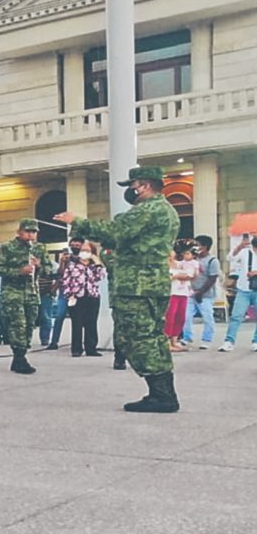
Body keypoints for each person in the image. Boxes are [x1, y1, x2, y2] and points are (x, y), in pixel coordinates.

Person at [55, 165, 181, 412]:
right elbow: (119, 239)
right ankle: (162, 392)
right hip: (151, 284)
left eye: (133, 186)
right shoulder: (166, 210)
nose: (131, 191)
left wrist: (77, 222)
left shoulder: (149, 209)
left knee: (138, 338)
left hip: (137, 286)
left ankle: (162, 396)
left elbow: (115, 232)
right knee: (154, 338)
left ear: (144, 185)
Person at [0, 218, 44, 374]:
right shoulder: (8, 247)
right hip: (13, 292)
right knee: (18, 325)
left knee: (30, 324)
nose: (31, 235)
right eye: (28, 231)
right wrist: (19, 271)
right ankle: (19, 358)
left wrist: (39, 266)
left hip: (31, 292)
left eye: (34, 232)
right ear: (19, 232)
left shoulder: (39, 248)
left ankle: (21, 355)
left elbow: (49, 270)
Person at [61, 241, 105, 357]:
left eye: (88, 251)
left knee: (91, 323)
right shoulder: (72, 265)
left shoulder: (94, 266)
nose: (85, 253)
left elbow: (100, 277)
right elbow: (66, 280)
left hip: (92, 296)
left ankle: (91, 348)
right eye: (83, 250)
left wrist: (97, 263)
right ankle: (76, 349)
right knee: (77, 323)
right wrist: (69, 295)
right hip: (76, 297)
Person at [219, 234, 257, 352]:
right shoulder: (246, 252)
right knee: (236, 316)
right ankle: (229, 341)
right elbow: (230, 258)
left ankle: (256, 341)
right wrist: (239, 246)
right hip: (243, 289)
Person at [181, 235, 219, 349]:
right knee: (186, 317)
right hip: (190, 292)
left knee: (207, 317)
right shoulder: (192, 258)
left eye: (197, 245)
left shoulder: (212, 261)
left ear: (205, 247)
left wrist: (201, 292)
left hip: (205, 294)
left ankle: (206, 339)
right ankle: (187, 338)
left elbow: (212, 278)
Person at [47, 236, 85, 349]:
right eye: (73, 245)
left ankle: (79, 343)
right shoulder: (66, 258)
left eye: (77, 245)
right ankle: (54, 342)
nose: (75, 247)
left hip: (79, 292)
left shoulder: (84, 258)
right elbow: (60, 274)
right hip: (65, 291)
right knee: (59, 316)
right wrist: (63, 262)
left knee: (79, 319)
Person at [166, 241, 198, 352]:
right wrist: (179, 276)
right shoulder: (164, 265)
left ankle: (174, 340)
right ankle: (166, 340)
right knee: (170, 317)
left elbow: (191, 274)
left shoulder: (180, 264)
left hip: (183, 292)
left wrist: (181, 275)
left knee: (180, 317)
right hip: (172, 292)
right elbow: (170, 277)